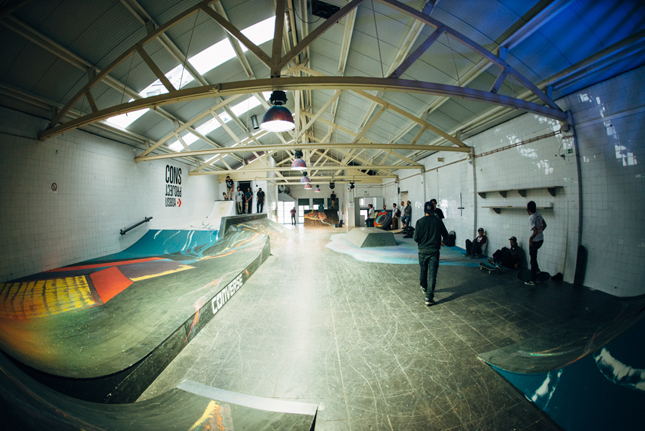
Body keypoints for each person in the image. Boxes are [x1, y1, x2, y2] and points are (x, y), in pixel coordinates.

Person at [414, 201, 449, 306]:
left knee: (423, 270)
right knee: (432, 274)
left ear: (424, 210)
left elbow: (416, 238)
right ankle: (429, 298)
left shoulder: (419, 222)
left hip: (422, 251)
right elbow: (446, 236)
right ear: (433, 210)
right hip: (434, 251)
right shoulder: (438, 221)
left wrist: (422, 242)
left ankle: (424, 287)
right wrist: (443, 242)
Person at [526, 201, 547, 285]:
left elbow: (534, 231)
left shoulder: (531, 218)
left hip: (535, 241)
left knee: (532, 260)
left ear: (528, 209)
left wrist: (530, 238)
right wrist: (540, 232)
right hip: (541, 239)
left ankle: (533, 280)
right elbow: (544, 225)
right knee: (533, 257)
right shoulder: (538, 214)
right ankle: (537, 270)